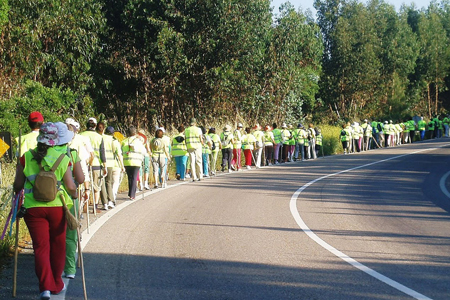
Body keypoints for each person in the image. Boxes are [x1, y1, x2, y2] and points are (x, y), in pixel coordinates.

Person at [13, 122, 78, 300]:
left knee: (41, 248)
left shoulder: (26, 157)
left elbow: (17, 185)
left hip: (33, 210)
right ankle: (56, 283)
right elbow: (71, 186)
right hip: (57, 207)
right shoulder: (63, 158)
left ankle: (45, 288)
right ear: (56, 140)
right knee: (58, 246)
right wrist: (75, 193)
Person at [53, 122, 84, 281]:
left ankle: (55, 270)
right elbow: (80, 179)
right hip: (70, 199)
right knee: (71, 235)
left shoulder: (45, 153)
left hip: (49, 199)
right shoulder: (72, 154)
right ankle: (70, 268)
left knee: (55, 236)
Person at [65, 118, 94, 211]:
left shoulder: (59, 140)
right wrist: (89, 163)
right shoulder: (82, 138)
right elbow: (90, 155)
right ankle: (79, 208)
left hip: (69, 167)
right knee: (80, 184)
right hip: (79, 165)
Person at [80, 117, 107, 209]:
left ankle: (84, 206)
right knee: (96, 188)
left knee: (84, 186)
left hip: (83, 164)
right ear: (95, 126)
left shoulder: (81, 135)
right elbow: (102, 152)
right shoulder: (99, 137)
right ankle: (95, 207)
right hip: (96, 164)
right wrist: (105, 166)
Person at [121, 126, 146, 199]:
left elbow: (121, 151)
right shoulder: (138, 141)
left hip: (127, 162)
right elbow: (144, 152)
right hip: (136, 162)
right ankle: (132, 194)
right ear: (135, 133)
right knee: (134, 178)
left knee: (130, 177)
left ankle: (130, 192)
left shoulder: (124, 141)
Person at [104, 126, 125, 201]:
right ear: (113, 133)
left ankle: (106, 200)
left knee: (106, 183)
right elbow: (119, 155)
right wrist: (122, 166)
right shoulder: (115, 141)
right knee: (115, 182)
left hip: (104, 164)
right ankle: (112, 197)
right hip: (115, 164)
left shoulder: (102, 139)